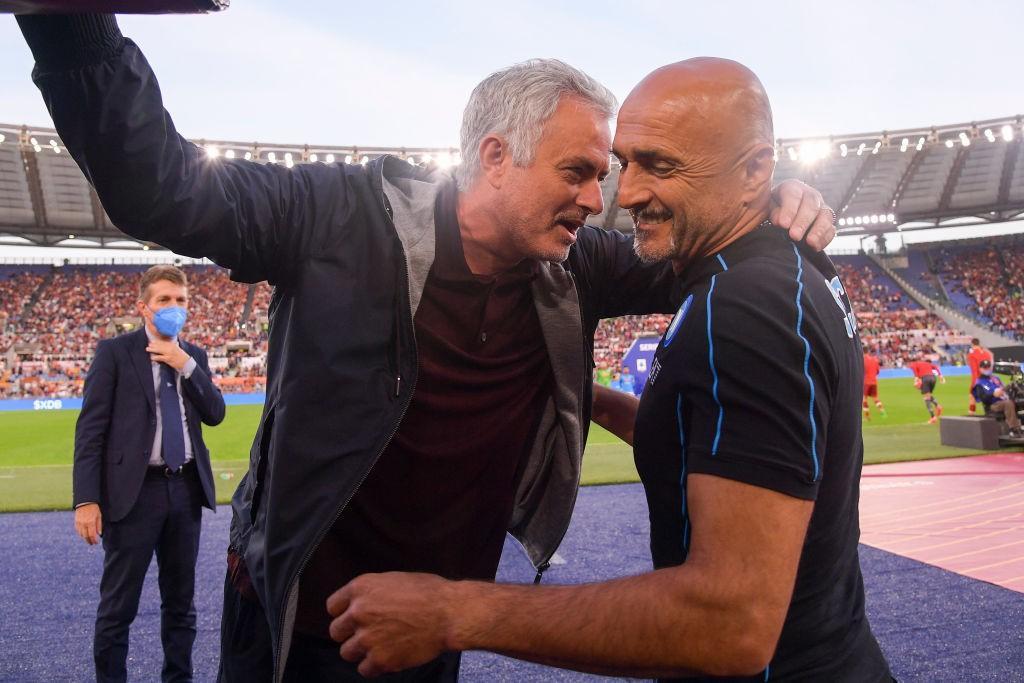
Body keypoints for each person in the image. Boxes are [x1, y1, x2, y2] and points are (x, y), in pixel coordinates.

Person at [16, 14, 836, 681]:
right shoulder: (337, 216)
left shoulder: (577, 263)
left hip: (430, 630)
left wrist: (774, 203)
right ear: (494, 158)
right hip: (294, 618)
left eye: (605, 177)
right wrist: (70, 27)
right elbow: (162, 187)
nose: (601, 200)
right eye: (581, 171)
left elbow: (698, 246)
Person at [324, 58, 892, 682]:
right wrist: (567, 391)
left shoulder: (745, 308)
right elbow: (720, 439)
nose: (627, 193)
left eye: (662, 164)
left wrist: (454, 610)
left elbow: (729, 623)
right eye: (628, 162)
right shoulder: (782, 272)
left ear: (756, 170)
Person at [73, 265, 225, 682]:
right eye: (164, 300)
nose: (174, 308)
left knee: (181, 606)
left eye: (180, 301)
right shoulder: (115, 353)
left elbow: (215, 413)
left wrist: (186, 365)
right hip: (134, 494)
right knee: (118, 608)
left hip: (186, 490)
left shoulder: (194, 355)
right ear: (144, 307)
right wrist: (87, 500)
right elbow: (90, 432)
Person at [971, 359, 1023, 437]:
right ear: (980, 369)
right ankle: (1014, 429)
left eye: (988, 367)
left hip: (1004, 399)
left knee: (1019, 401)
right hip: (992, 404)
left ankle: (1021, 426)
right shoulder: (979, 383)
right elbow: (984, 399)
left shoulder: (996, 379)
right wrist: (993, 394)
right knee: (1008, 403)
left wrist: (1008, 388)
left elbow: (1004, 390)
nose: (987, 369)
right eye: (985, 368)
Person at [908, 356, 944, 423]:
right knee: (928, 395)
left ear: (911, 362)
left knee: (926, 398)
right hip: (933, 378)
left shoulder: (913, 365)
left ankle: (933, 417)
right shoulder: (925, 363)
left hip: (925, 378)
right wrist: (940, 375)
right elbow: (935, 367)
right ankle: (938, 406)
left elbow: (916, 374)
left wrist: (916, 382)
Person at [966, 338, 994, 413]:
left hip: (979, 379)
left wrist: (974, 384)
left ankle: (971, 415)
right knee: (988, 398)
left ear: (972, 344)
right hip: (988, 379)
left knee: (972, 396)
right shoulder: (987, 353)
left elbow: (974, 371)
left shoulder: (972, 355)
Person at [863, 347, 886, 419]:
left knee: (864, 399)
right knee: (875, 398)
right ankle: (882, 412)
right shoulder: (874, 360)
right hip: (874, 382)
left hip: (866, 382)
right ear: (868, 351)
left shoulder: (862, 360)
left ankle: (867, 416)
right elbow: (878, 371)